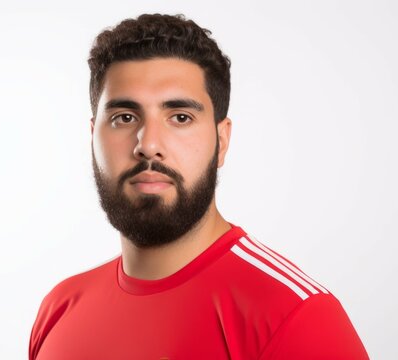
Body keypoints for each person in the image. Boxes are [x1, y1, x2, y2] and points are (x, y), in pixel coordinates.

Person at [29, 13, 369, 359]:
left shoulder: (295, 317)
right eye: (124, 118)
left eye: (180, 118)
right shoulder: (59, 308)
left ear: (221, 141)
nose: (148, 144)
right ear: (92, 137)